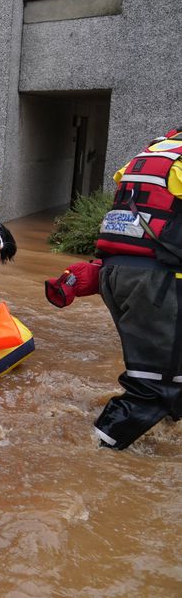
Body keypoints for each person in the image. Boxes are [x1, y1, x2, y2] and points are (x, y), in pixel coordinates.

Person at [91, 126, 182, 449]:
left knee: (169, 373)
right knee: (158, 387)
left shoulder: (154, 152)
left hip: (117, 275)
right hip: (156, 282)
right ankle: (94, 453)